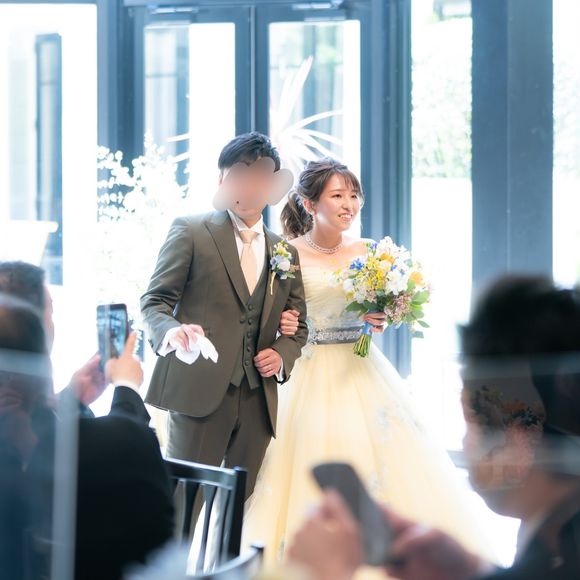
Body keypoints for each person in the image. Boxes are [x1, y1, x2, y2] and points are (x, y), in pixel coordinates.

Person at [243, 158, 491, 573]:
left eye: (354, 195)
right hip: (306, 371)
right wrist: (285, 323)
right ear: (309, 204)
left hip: (360, 366)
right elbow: (266, 314)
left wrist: (383, 315)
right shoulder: (286, 253)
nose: (349, 204)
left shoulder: (371, 252)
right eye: (338, 195)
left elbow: (385, 308)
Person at [287, 275, 580, 580]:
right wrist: (470, 571)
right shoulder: (559, 541)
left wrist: (324, 573)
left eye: (470, 421)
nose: (466, 443)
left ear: (520, 438)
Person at [141, 132, 308, 500]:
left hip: (257, 403)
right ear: (222, 179)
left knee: (238, 512)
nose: (250, 185)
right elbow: (155, 301)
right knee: (183, 505)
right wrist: (171, 332)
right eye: (240, 174)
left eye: (260, 175)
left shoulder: (284, 251)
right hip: (199, 392)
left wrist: (281, 353)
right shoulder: (191, 231)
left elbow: (298, 325)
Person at [0, 293, 175, 580]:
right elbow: (124, 449)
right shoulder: (105, 450)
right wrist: (127, 387)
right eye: (50, 311)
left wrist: (68, 400)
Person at [0, 261, 106, 416]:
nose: (53, 324)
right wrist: (127, 386)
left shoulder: (13, 386)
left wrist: (71, 399)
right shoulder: (18, 396)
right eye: (50, 313)